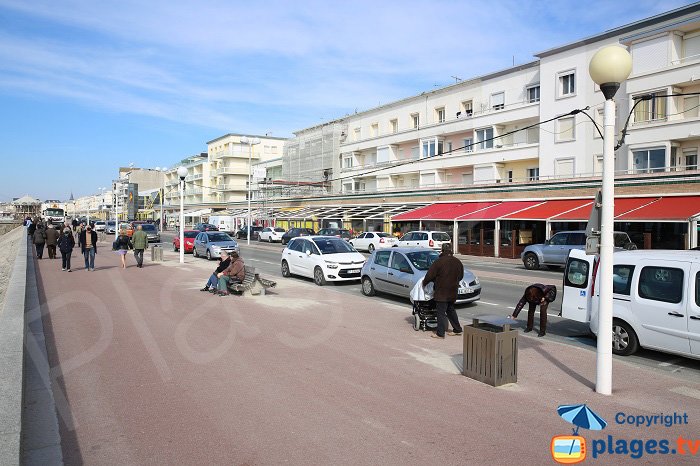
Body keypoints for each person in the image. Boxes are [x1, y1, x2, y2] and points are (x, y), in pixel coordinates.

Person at [423, 243, 464, 339]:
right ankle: (457, 329)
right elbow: (461, 276)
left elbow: (429, 275)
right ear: (451, 250)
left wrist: (424, 283)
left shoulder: (439, 262)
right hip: (453, 290)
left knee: (440, 312)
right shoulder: (457, 262)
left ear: (442, 250)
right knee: (450, 310)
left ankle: (440, 333)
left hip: (442, 291)